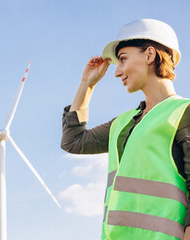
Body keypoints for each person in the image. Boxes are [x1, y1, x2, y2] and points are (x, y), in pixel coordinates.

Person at [60, 19, 190, 240]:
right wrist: (87, 84)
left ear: (149, 55)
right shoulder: (122, 123)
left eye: (122, 60)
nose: (117, 72)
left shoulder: (183, 112)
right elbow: (73, 141)